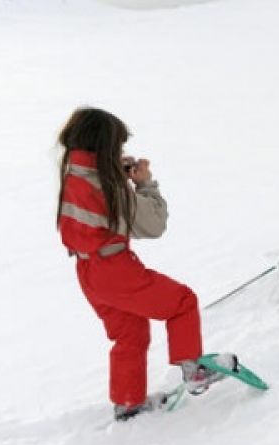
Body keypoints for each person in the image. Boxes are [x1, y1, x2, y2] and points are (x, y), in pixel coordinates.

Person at [56, 107, 221, 421]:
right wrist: (144, 184)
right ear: (104, 146)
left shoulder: (73, 173)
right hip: (115, 270)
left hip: (88, 272)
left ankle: (128, 403)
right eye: (117, 146)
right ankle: (194, 369)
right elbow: (154, 224)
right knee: (182, 302)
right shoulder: (107, 188)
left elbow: (93, 194)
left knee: (130, 334)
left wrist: (114, 170)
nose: (120, 152)